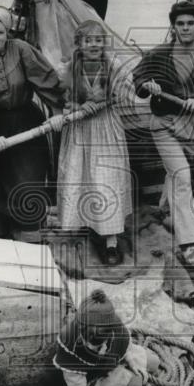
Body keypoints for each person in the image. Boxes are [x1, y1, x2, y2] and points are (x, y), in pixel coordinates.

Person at [133, 1, 194, 270]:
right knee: (182, 176)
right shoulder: (160, 54)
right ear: (173, 27)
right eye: (180, 24)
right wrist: (147, 85)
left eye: (190, 24)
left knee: (175, 174)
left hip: (192, 124)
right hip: (163, 122)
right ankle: (189, 246)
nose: (185, 28)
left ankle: (164, 207)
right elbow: (138, 78)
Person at [0, 6, 65, 237]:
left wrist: (57, 110)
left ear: (7, 32)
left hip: (25, 120)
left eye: (0, 32)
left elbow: (45, 78)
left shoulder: (21, 50)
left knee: (28, 176)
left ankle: (27, 231)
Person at [56, 20, 134, 266]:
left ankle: (111, 240)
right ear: (79, 43)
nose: (94, 45)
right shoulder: (69, 68)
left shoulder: (114, 66)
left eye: (98, 40)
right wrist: (79, 107)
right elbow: (62, 100)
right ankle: (85, 226)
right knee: (79, 176)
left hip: (106, 129)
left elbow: (127, 91)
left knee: (106, 179)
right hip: (79, 130)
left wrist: (115, 95)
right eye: (88, 40)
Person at [54, 289, 160, 386]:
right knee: (136, 384)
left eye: (95, 344)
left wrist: (132, 362)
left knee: (154, 362)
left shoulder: (115, 326)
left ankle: (123, 370)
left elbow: (122, 346)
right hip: (89, 376)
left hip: (108, 361)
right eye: (88, 342)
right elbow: (76, 385)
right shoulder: (70, 340)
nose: (89, 347)